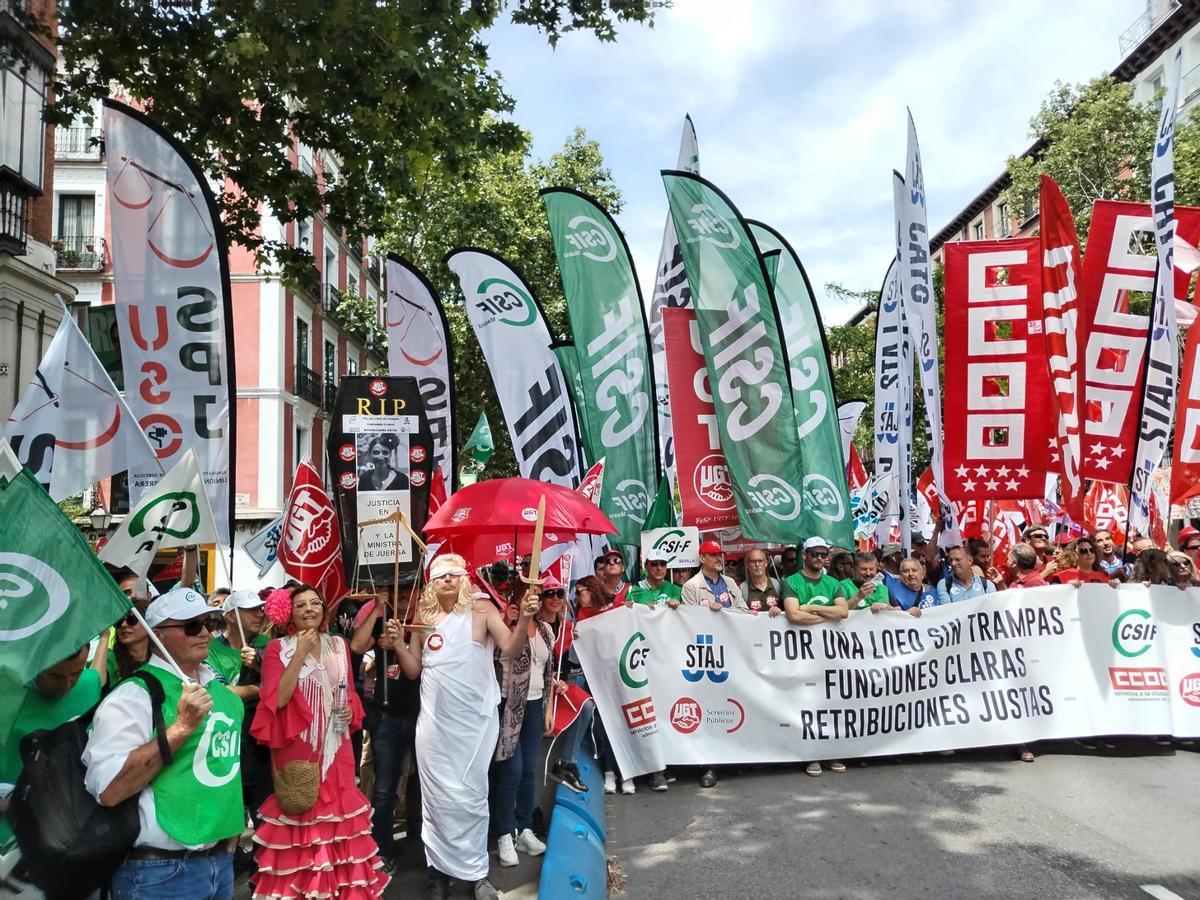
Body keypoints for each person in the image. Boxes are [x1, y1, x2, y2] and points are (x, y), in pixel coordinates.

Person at [387, 554, 540, 900]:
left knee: (471, 796)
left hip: (474, 724)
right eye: (440, 576)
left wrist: (524, 619)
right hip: (435, 726)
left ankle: (477, 874)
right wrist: (398, 644)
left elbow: (510, 649)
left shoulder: (482, 611)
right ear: (431, 583)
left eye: (454, 575)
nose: (447, 581)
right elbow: (413, 670)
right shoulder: (422, 617)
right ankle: (437, 874)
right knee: (437, 799)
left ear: (464, 579)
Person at [83, 589, 244, 899]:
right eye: (191, 626)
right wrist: (181, 727)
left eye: (209, 623)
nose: (206, 633)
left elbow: (227, 766)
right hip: (158, 873)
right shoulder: (134, 695)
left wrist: (231, 833)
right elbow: (109, 789)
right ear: (158, 635)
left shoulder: (221, 694)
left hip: (219, 864)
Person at [250, 583, 387, 898]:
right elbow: (278, 698)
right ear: (289, 614)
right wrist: (298, 654)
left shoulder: (338, 645)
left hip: (337, 750)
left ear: (325, 610)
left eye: (315, 603)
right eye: (301, 605)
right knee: (304, 827)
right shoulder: (276, 650)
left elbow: (350, 692)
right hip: (299, 754)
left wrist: (348, 710)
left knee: (340, 829)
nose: (309, 609)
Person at [1, 643, 105, 889]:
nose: (66, 685)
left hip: (72, 846)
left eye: (75, 674)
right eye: (56, 675)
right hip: (10, 844)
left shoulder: (90, 684)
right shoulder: (7, 693)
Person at [351, 588, 423, 874]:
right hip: (387, 715)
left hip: (422, 715)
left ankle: (421, 840)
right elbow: (357, 647)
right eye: (398, 590)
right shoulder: (382, 619)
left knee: (424, 784)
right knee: (384, 788)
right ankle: (382, 847)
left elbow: (414, 672)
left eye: (410, 589)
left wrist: (400, 644)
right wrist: (378, 607)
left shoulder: (426, 621)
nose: (404, 595)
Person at [491, 577, 556, 868]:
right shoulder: (503, 628)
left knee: (529, 769)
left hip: (535, 705)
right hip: (507, 705)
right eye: (530, 593)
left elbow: (548, 672)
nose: (536, 599)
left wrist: (548, 709)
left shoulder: (546, 630)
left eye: (539, 595)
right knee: (511, 769)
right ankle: (504, 833)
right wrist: (510, 620)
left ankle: (525, 828)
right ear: (516, 597)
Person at [211, 589, 272, 848]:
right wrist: (262, 688)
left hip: (262, 742)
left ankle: (264, 873)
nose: (259, 614)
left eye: (261, 608)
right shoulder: (210, 648)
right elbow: (219, 693)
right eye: (251, 609)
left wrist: (261, 666)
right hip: (225, 740)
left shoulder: (269, 646)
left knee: (266, 814)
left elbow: (288, 686)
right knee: (230, 810)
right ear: (230, 616)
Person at [783, 537, 848, 777]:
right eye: (815, 554)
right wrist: (827, 616)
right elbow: (794, 616)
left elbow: (843, 611)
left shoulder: (833, 583)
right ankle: (811, 754)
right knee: (807, 705)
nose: (820, 559)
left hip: (830, 655)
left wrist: (810, 608)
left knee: (830, 705)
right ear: (806, 555)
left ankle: (830, 751)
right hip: (802, 655)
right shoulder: (791, 582)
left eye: (824, 555)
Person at [539, 583, 592, 795]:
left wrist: (560, 682)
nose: (555, 598)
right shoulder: (534, 625)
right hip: (537, 687)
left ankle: (567, 762)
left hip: (556, 686)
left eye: (559, 593)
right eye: (549, 593)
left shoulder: (567, 628)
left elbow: (564, 665)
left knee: (586, 706)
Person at [679, 541, 745, 611]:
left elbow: (744, 610)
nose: (719, 559)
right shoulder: (690, 586)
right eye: (713, 555)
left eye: (719, 555)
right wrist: (711, 612)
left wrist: (724, 610)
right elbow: (690, 616)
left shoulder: (730, 581)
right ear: (702, 558)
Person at [107, 594, 153, 687]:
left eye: (132, 619)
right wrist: (104, 637)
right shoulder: (109, 659)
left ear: (148, 622)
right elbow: (93, 687)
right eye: (119, 621)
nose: (124, 625)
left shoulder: (163, 657)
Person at [929, 546, 996, 607]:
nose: (953, 563)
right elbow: (947, 612)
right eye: (951, 560)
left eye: (957, 560)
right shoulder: (944, 585)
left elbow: (993, 608)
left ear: (970, 560)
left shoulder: (987, 585)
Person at [740, 548, 789, 615]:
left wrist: (780, 610)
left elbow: (789, 609)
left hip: (776, 625)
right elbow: (738, 614)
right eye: (753, 561)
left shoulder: (778, 584)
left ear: (766, 563)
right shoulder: (742, 589)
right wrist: (746, 613)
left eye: (760, 561)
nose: (757, 565)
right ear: (747, 565)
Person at [1047, 537, 1112, 586]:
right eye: (1083, 551)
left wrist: (1116, 586)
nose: (1089, 553)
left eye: (1092, 550)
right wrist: (1067, 588)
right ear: (1074, 554)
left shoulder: (1105, 576)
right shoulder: (1063, 576)